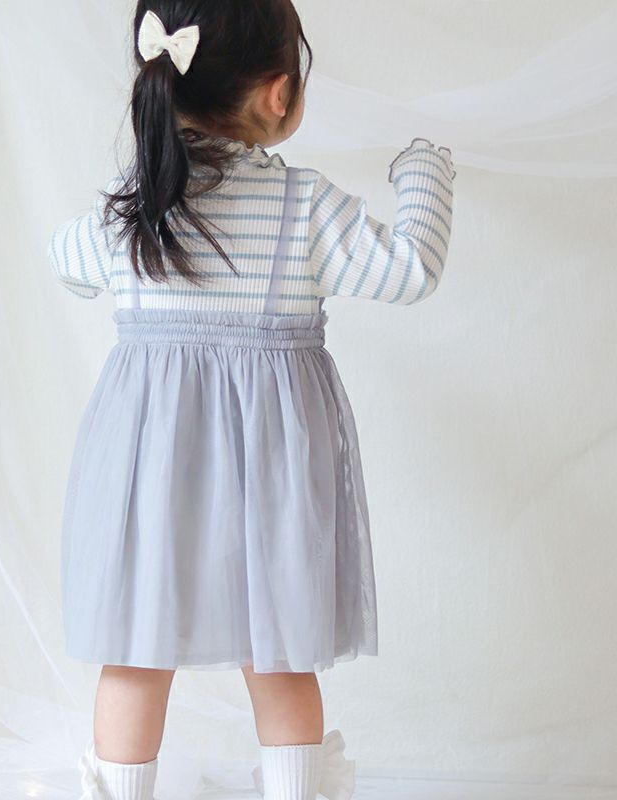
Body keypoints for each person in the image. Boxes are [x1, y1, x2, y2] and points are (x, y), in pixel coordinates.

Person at [47, 2, 455, 799]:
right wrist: (423, 171)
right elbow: (410, 269)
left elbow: (67, 259)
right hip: (273, 483)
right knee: (280, 660)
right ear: (279, 93)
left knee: (133, 658)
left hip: (148, 480)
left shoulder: (136, 210)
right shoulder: (305, 208)